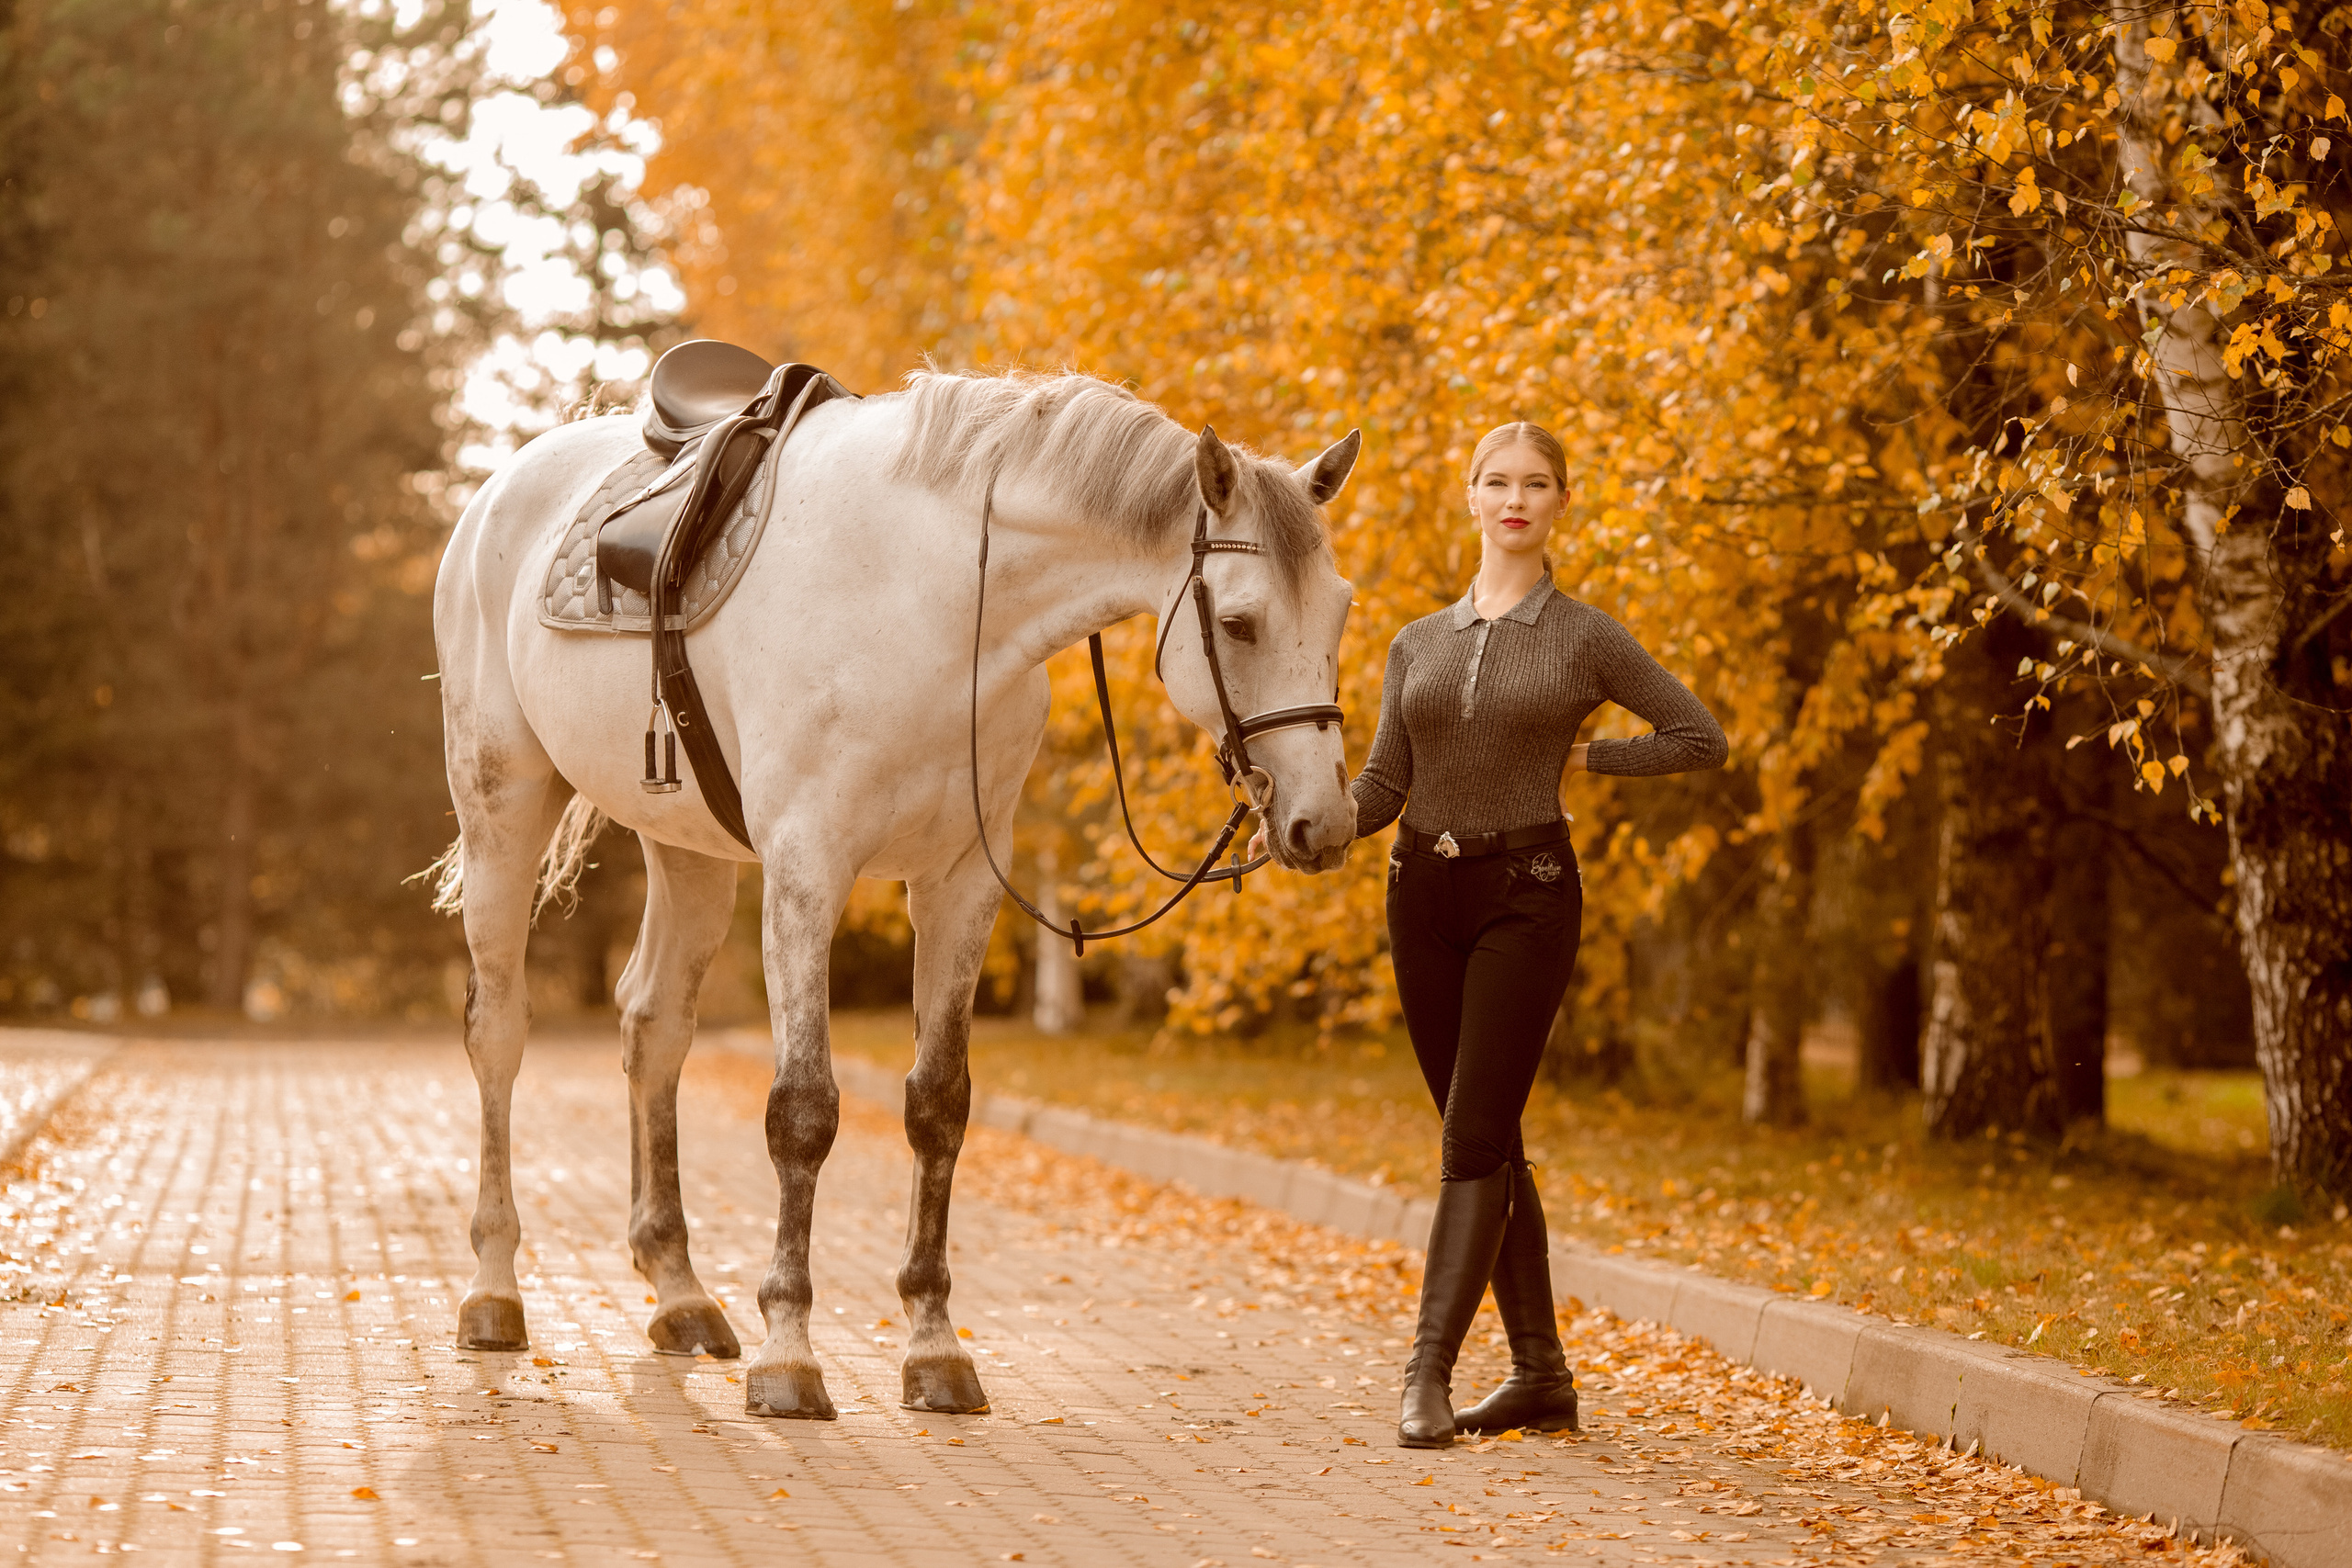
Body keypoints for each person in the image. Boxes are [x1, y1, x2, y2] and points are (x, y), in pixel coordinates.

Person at [1351, 421, 1727, 1449]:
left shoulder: (1585, 637)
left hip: (1527, 892)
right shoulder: (1415, 642)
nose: (1514, 499)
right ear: (1468, 496)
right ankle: (1541, 1377)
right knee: (1489, 1141)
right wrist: (1301, 818)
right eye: (1496, 481)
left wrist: (1591, 760)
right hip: (1419, 898)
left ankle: (1424, 1374)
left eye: (1536, 483)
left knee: (1472, 1140)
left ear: (1561, 501)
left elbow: (1699, 737)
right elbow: (1384, 786)